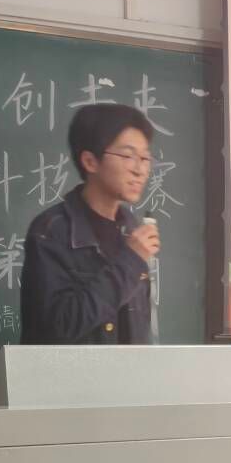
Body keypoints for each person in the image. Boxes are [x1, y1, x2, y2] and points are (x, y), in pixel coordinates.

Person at [20, 104, 159, 344]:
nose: (140, 170)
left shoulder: (132, 229)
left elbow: (139, 331)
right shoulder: (52, 231)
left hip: (128, 369)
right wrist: (131, 261)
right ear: (90, 161)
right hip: (69, 369)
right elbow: (58, 328)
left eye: (145, 158)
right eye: (128, 156)